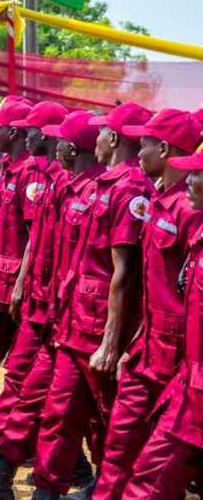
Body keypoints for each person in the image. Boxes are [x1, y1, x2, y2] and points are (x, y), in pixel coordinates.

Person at [29, 102, 153, 499]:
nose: (97, 137)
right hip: (76, 321)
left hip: (101, 329)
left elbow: (125, 272)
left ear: (113, 139)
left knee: (114, 422)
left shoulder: (132, 189)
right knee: (59, 412)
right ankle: (48, 490)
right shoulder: (104, 185)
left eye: (102, 131)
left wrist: (112, 343)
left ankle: (108, 489)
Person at [91, 109, 201, 499]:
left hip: (179, 363)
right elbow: (152, 289)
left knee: (163, 464)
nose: (138, 152)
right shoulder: (156, 201)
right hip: (147, 351)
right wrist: (131, 344)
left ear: (165, 148)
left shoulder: (190, 212)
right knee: (119, 445)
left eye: (146, 144)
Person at [0, 110, 103, 500]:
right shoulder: (64, 185)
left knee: (95, 413)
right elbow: (42, 244)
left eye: (58, 139)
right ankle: (8, 473)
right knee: (36, 395)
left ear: (71, 147)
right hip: (53, 312)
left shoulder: (96, 192)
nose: (53, 144)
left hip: (84, 322)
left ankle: (94, 480)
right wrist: (27, 284)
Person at [122, 147, 203, 498]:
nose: (189, 180)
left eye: (197, 174)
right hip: (188, 379)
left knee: (149, 483)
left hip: (195, 391)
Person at [0, 95, 36, 371]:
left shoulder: (30, 174)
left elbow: (34, 235)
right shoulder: (5, 169)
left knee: (12, 367)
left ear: (13, 132)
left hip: (14, 287)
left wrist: (21, 285)